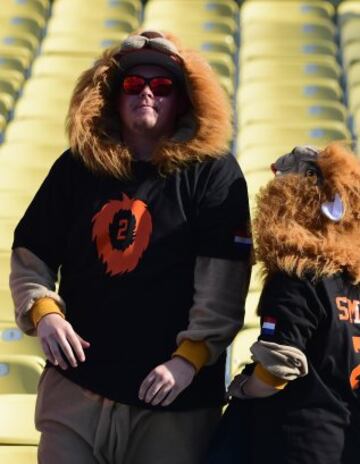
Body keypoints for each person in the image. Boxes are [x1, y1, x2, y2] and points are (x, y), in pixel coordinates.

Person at [10, 30, 252, 464]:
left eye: (162, 86)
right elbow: (31, 252)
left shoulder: (216, 174)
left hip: (174, 404)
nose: (146, 92)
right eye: (132, 84)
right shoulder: (76, 167)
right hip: (77, 392)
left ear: (183, 99)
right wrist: (43, 313)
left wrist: (189, 357)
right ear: (110, 96)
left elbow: (224, 284)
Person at [206, 144, 360, 464]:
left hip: (297, 444)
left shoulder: (296, 274)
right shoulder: (352, 282)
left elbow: (279, 367)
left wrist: (245, 388)